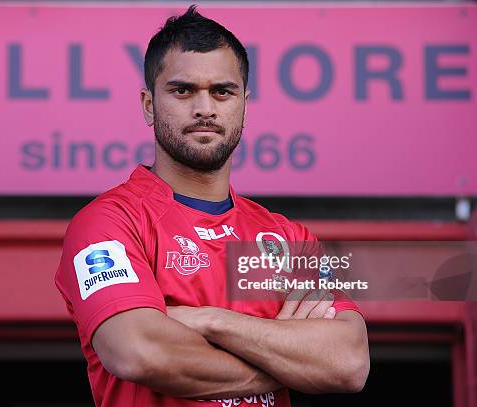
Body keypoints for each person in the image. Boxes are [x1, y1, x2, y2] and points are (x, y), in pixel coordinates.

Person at [55, 5, 369, 406]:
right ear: (149, 105)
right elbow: (139, 352)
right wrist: (287, 359)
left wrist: (208, 320)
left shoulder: (290, 238)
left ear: (244, 103)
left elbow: (348, 362)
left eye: (222, 91)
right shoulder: (108, 222)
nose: (205, 108)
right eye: (182, 90)